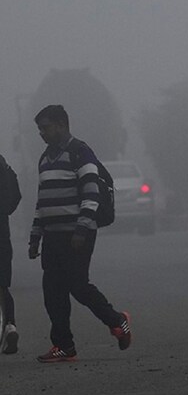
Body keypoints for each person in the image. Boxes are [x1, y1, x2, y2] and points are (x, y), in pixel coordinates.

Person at [28, 105, 131, 363]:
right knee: (52, 291)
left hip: (77, 234)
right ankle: (64, 346)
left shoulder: (80, 152)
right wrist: (35, 235)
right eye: (39, 129)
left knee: (78, 286)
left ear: (62, 125)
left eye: (46, 127)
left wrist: (82, 228)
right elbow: (42, 201)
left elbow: (91, 192)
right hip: (52, 236)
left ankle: (118, 321)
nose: (42, 133)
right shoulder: (44, 159)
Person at [1, 154, 22, 354]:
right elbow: (15, 196)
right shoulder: (4, 166)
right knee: (2, 285)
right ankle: (10, 325)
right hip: (2, 234)